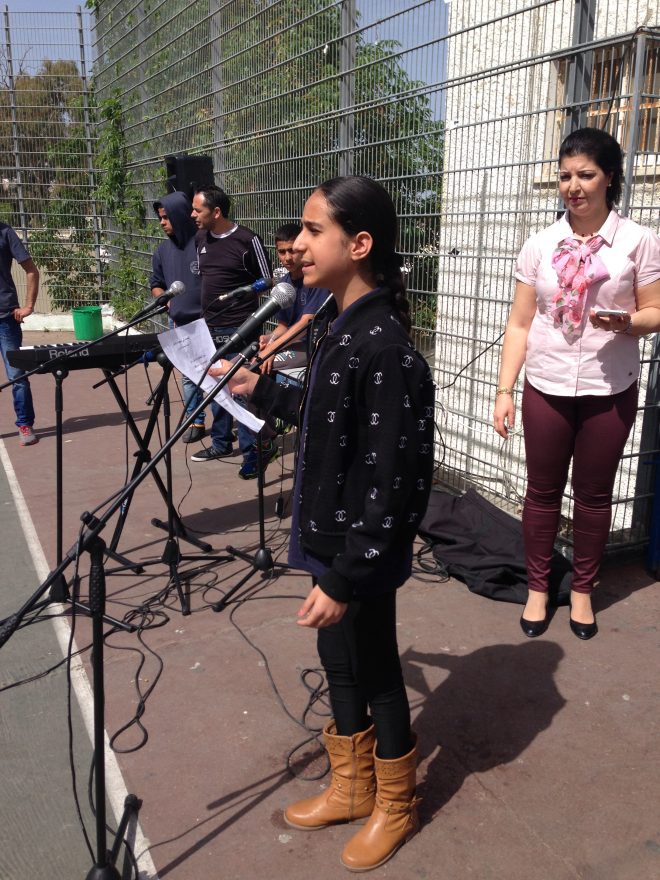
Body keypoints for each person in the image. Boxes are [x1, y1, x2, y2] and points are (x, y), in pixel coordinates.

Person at [212, 176, 435, 871]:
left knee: (376, 670)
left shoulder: (384, 344)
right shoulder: (338, 325)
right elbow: (328, 421)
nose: (298, 245)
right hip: (328, 534)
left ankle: (396, 802)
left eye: (313, 231)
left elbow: (393, 480)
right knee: (338, 664)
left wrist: (344, 576)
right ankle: (351, 784)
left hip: (358, 550)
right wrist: (261, 389)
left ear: (359, 244)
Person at [493, 127, 660, 640]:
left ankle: (583, 590)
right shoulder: (540, 245)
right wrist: (504, 390)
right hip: (547, 384)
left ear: (609, 177)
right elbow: (520, 323)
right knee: (541, 491)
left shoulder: (637, 241)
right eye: (565, 176)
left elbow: (656, 309)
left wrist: (629, 323)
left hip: (609, 389)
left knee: (593, 494)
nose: (573, 186)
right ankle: (538, 588)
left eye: (585, 175)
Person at [190, 185, 277, 479]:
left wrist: (244, 293)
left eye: (197, 210)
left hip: (240, 328)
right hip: (209, 326)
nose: (193, 215)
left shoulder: (247, 240)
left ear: (216, 212)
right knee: (214, 386)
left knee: (241, 391)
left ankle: (254, 451)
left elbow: (268, 279)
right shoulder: (200, 239)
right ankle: (221, 443)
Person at [150, 191, 205, 443]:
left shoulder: (203, 244)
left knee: (215, 373)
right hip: (180, 322)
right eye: (160, 218)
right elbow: (156, 283)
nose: (162, 223)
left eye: (166, 217)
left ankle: (223, 426)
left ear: (180, 215)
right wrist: (165, 298)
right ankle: (195, 419)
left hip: (209, 321)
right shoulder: (162, 251)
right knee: (188, 374)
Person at [257, 222, 330, 373]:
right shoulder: (283, 284)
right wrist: (269, 338)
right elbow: (283, 326)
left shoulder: (316, 279)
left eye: (292, 251)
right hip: (290, 343)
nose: (287, 258)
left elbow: (305, 324)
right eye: (282, 252)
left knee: (256, 364)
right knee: (241, 361)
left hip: (313, 345)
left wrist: (272, 348)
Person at [0, 222, 39, 446]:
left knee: (17, 376)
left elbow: (32, 270)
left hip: (6, 318)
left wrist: (28, 306)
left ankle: (24, 424)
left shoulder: (5, 233)